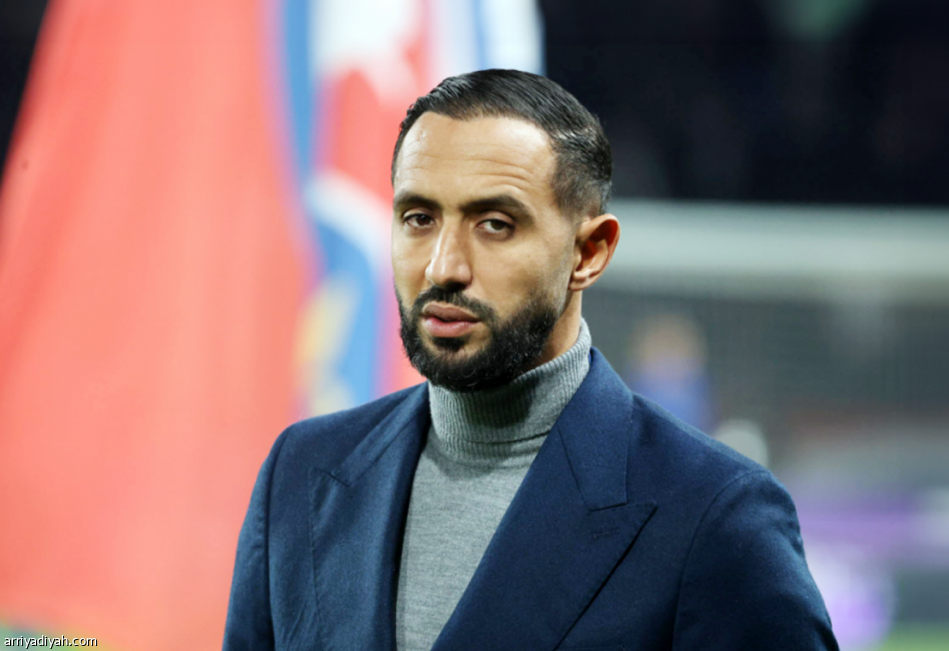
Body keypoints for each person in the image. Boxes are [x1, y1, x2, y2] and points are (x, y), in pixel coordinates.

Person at [223, 69, 838, 651]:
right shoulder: (302, 472)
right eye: (419, 218)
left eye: (495, 224)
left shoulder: (715, 515)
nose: (443, 267)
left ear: (589, 252)